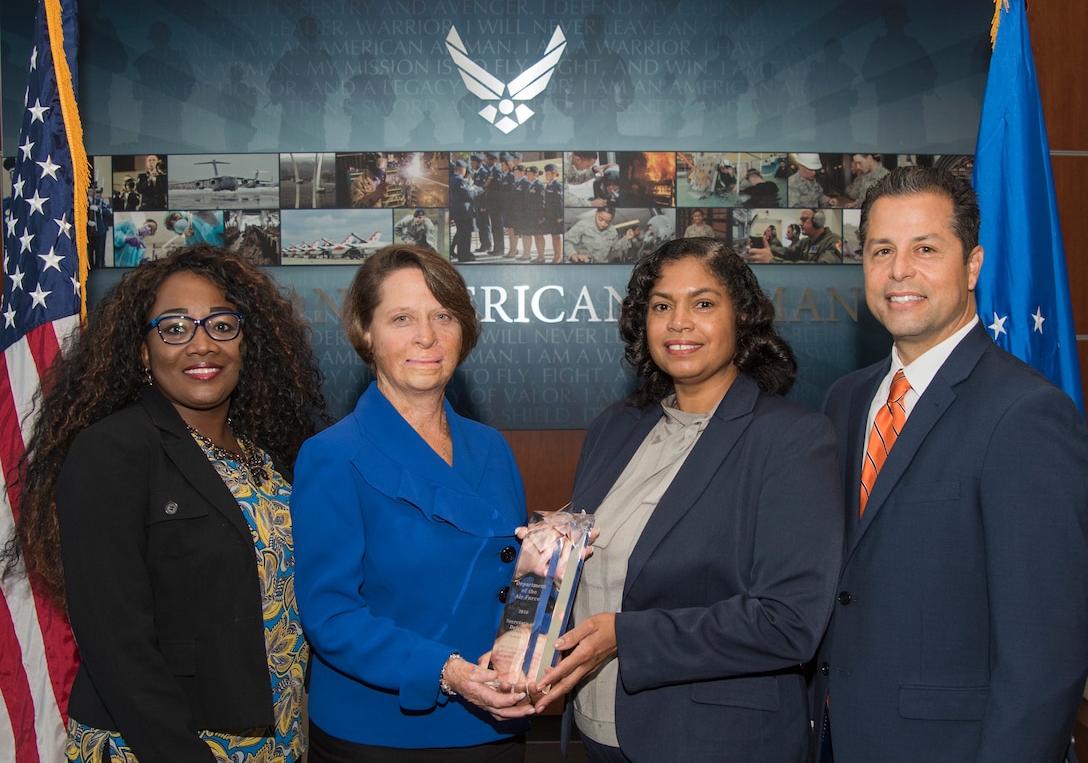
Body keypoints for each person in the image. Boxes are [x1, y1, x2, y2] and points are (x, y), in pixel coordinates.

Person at [2, 245, 328, 761]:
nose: (202, 345)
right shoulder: (112, 450)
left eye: (222, 325)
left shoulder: (270, 462)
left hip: (277, 739)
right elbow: (116, 645)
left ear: (247, 343)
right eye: (175, 328)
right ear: (142, 352)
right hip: (163, 744)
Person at [529, 237, 844, 762]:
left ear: (741, 317)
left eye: (703, 303)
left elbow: (788, 622)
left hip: (714, 743)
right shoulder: (616, 427)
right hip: (600, 733)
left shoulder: (792, 438)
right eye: (661, 306)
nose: (678, 322)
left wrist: (628, 638)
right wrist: (545, 553)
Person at [813, 167, 1088, 762]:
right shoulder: (846, 400)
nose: (899, 271)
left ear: (972, 265)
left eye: (926, 249)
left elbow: (1046, 655)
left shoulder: (1027, 414)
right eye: (881, 250)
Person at [291, 245, 536, 761]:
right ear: (365, 332)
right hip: (384, 735)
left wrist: (551, 559)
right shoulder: (332, 456)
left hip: (496, 724)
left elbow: (509, 578)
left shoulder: (491, 445)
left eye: (442, 315)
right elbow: (331, 615)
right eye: (402, 318)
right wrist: (447, 671)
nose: (426, 336)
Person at [542, 163, 564, 263]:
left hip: (556, 216)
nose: (546, 176)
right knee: (553, 236)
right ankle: (556, 256)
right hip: (550, 215)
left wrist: (560, 216)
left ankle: (558, 257)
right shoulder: (548, 185)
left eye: (548, 173)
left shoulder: (557, 186)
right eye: (546, 173)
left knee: (557, 236)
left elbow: (559, 201)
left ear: (554, 174)